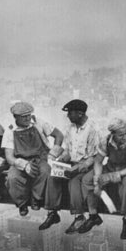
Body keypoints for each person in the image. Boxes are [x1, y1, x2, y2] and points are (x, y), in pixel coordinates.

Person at [44, 98, 103, 232]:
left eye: (70, 113)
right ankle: (53, 212)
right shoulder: (70, 128)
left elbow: (94, 157)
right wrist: (59, 161)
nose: (68, 116)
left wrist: (76, 169)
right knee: (52, 176)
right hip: (73, 163)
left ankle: (79, 216)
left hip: (88, 166)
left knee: (74, 182)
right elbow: (68, 150)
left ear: (80, 114)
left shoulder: (93, 129)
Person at [4, 101, 62, 217]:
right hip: (21, 160)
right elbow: (9, 157)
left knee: (45, 172)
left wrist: (53, 154)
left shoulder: (38, 122)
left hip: (40, 158)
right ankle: (22, 204)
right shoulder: (10, 130)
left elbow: (59, 135)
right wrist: (24, 165)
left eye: (29, 115)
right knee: (12, 178)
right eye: (23, 116)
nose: (27, 118)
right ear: (15, 117)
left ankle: (36, 198)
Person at [94, 116, 126, 239]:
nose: (124, 137)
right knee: (92, 182)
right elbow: (98, 162)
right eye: (121, 135)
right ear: (113, 133)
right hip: (110, 167)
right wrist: (98, 176)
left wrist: (115, 176)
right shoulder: (105, 141)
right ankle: (93, 215)